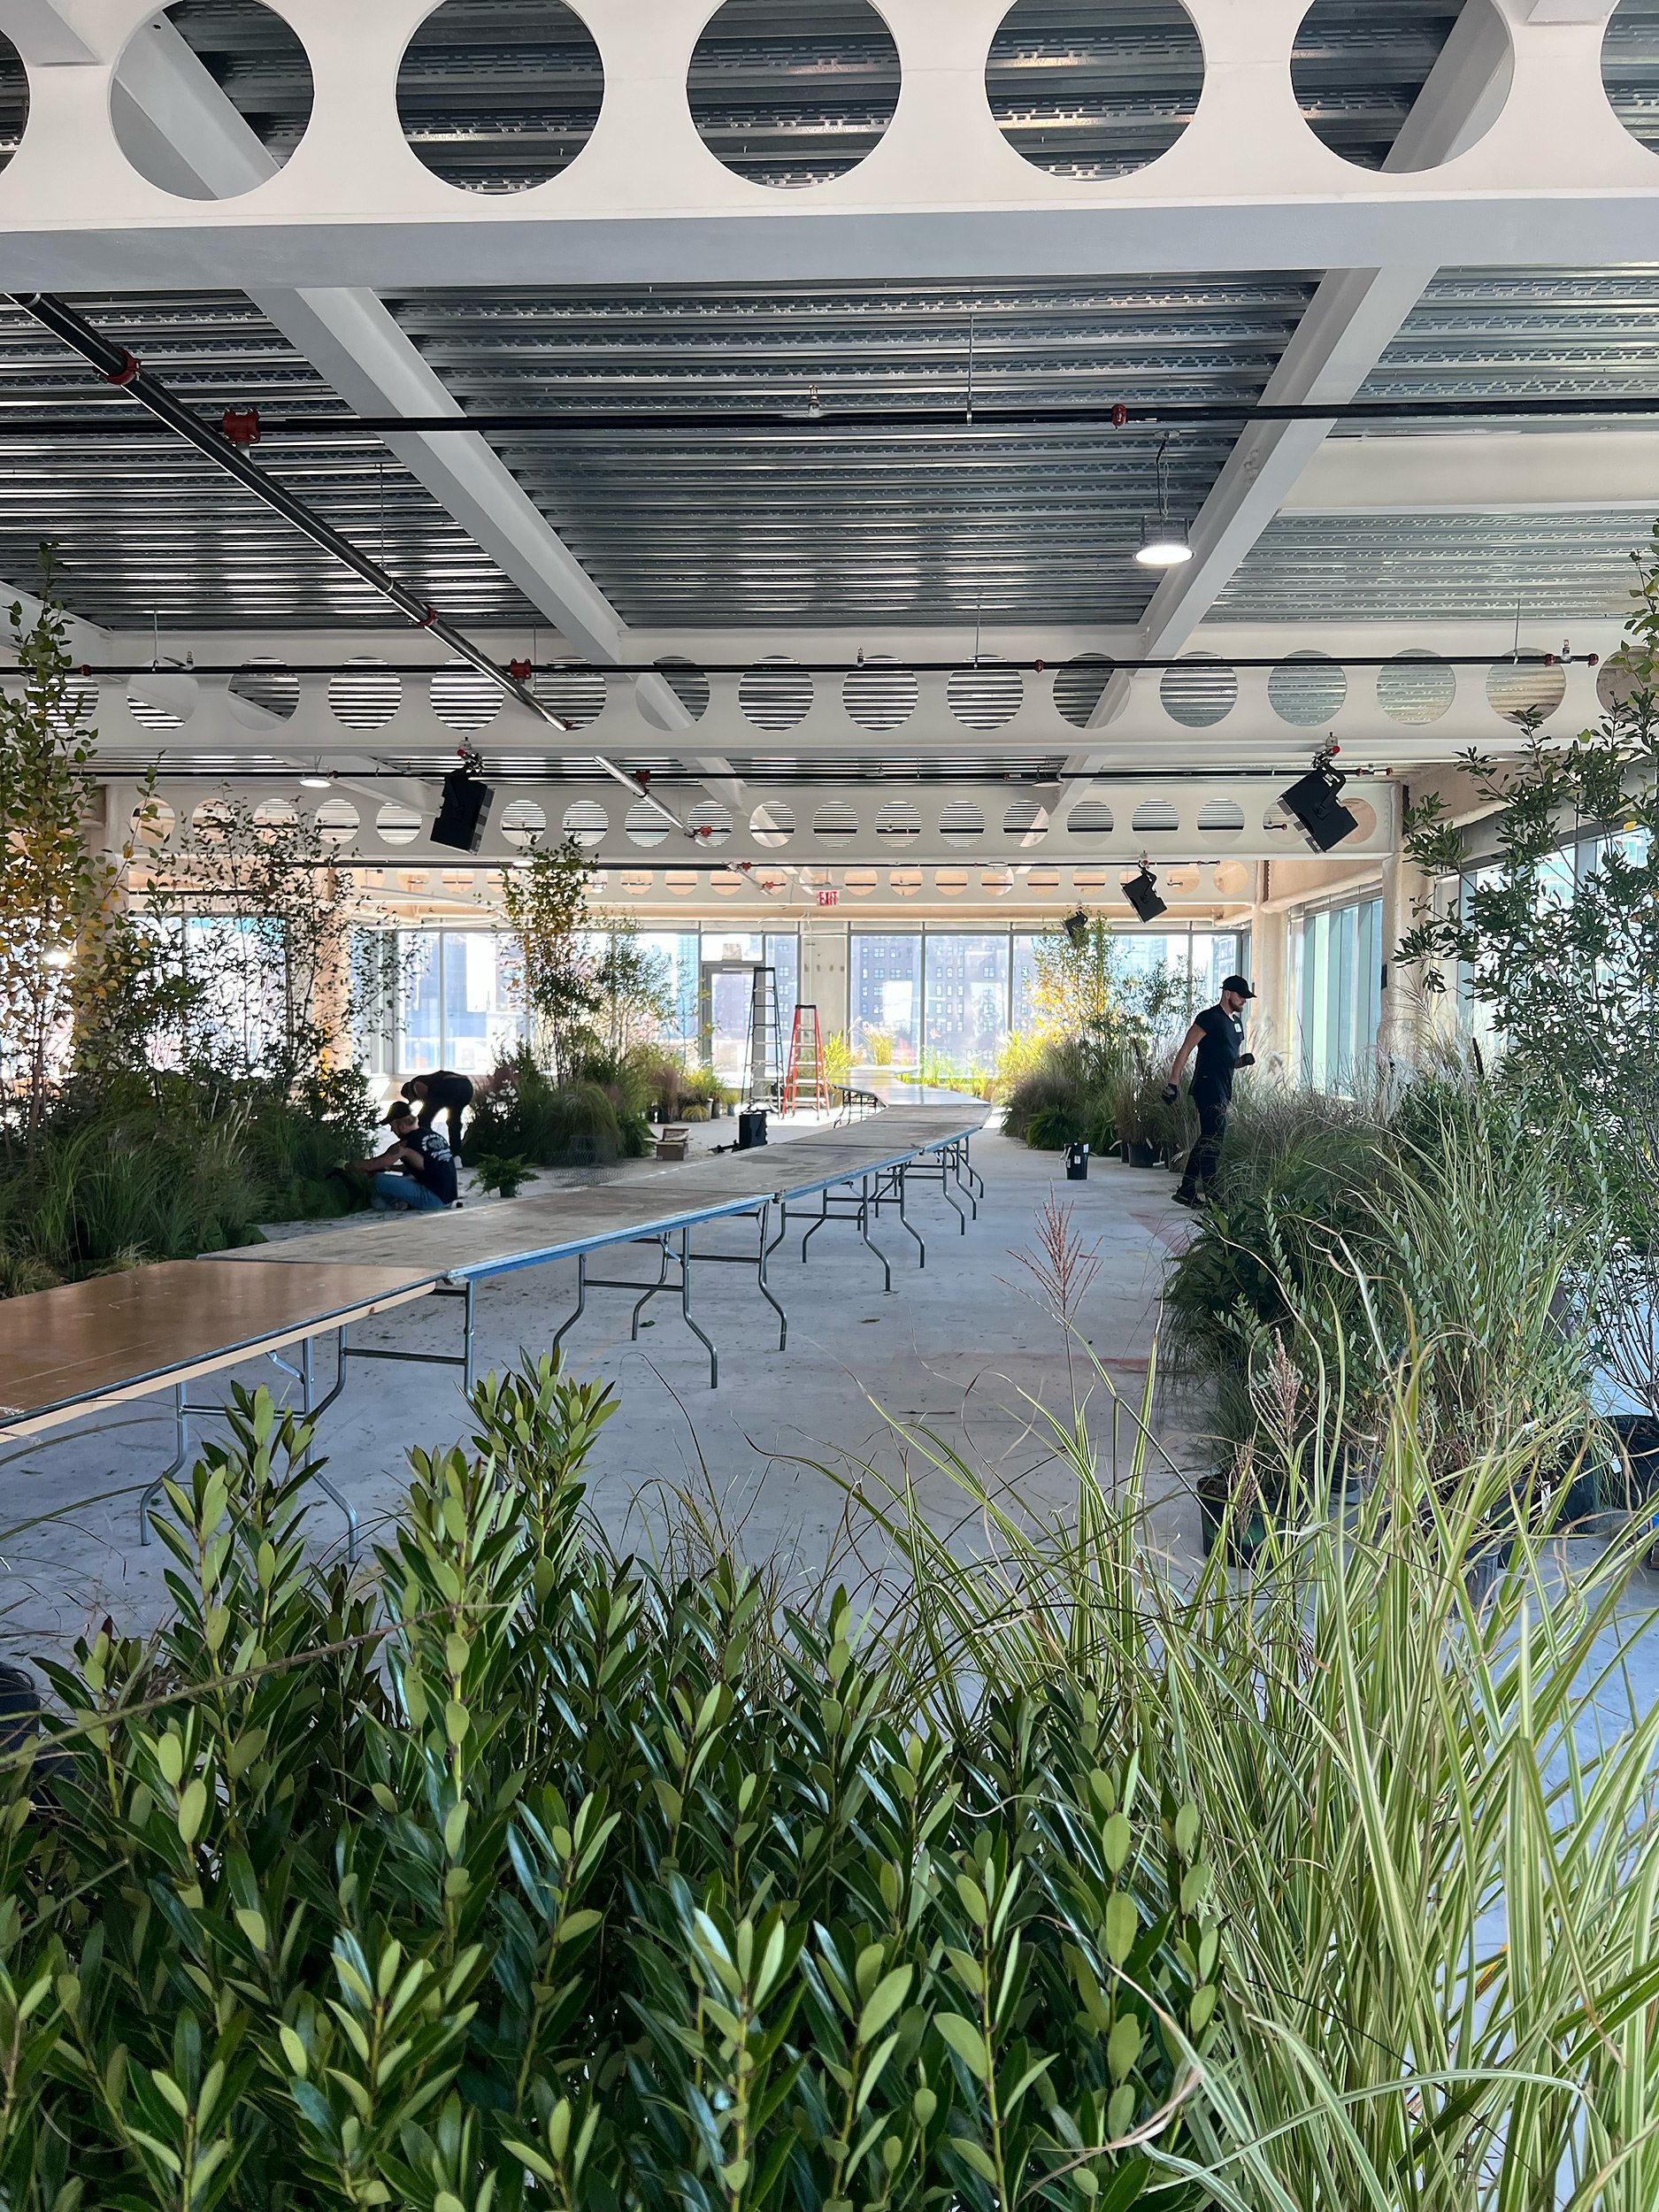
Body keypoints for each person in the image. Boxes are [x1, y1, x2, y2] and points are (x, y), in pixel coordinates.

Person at [1163, 974, 1257, 1210]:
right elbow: (1186, 1048)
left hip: (1224, 1089)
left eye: (1246, 997)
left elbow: (1230, 1060)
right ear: (1227, 994)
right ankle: (1214, 1197)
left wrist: (1243, 1061)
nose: (1244, 1001)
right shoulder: (1208, 1018)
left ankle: (1187, 1190)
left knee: (1208, 1139)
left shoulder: (1236, 1025)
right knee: (1212, 1141)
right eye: (1241, 996)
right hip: (1206, 1086)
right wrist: (1173, 1082)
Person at [348, 1102, 459, 1213]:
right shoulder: (434, 1136)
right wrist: (389, 1168)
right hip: (449, 1198)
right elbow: (420, 1167)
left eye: (392, 1126)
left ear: (402, 1126)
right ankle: (404, 1201)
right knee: (408, 1176)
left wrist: (347, 1165)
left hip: (433, 1199)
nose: (392, 1130)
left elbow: (372, 1165)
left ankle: (395, 1203)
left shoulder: (404, 1145)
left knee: (379, 1180)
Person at [401, 1069, 475, 1155]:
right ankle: (456, 1154)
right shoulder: (429, 1080)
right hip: (467, 1087)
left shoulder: (414, 1084)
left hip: (450, 1085)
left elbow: (428, 1102)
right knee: (454, 1121)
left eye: (409, 1098)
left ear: (409, 1093)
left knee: (423, 1120)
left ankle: (431, 1149)